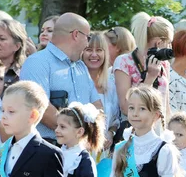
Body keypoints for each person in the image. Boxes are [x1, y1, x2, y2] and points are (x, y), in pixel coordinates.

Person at [21, 12, 102, 145]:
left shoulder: (81, 66)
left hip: (79, 150)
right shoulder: (37, 62)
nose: (87, 43)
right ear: (76, 34)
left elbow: (97, 105)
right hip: (47, 149)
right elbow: (42, 109)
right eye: (88, 37)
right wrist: (77, 135)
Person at [114, 12, 174, 123]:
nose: (170, 48)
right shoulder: (124, 62)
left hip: (160, 131)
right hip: (136, 132)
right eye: (169, 43)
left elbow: (166, 106)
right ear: (158, 43)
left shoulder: (164, 64)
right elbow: (125, 108)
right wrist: (149, 79)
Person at [83, 31, 120, 143]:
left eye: (99, 50)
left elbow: (115, 120)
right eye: (89, 50)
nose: (94, 54)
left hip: (104, 151)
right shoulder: (75, 82)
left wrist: (110, 133)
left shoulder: (112, 83)